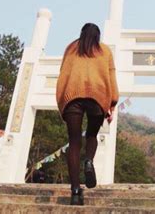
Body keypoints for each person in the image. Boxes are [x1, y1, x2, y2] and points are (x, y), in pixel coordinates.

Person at [56, 23, 119, 205]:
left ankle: (75, 191)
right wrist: (112, 101)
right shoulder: (105, 51)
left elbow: (63, 74)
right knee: (92, 135)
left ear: (81, 33)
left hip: (72, 98)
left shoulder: (71, 48)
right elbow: (111, 77)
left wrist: (63, 100)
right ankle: (89, 161)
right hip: (97, 98)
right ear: (97, 36)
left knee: (74, 142)